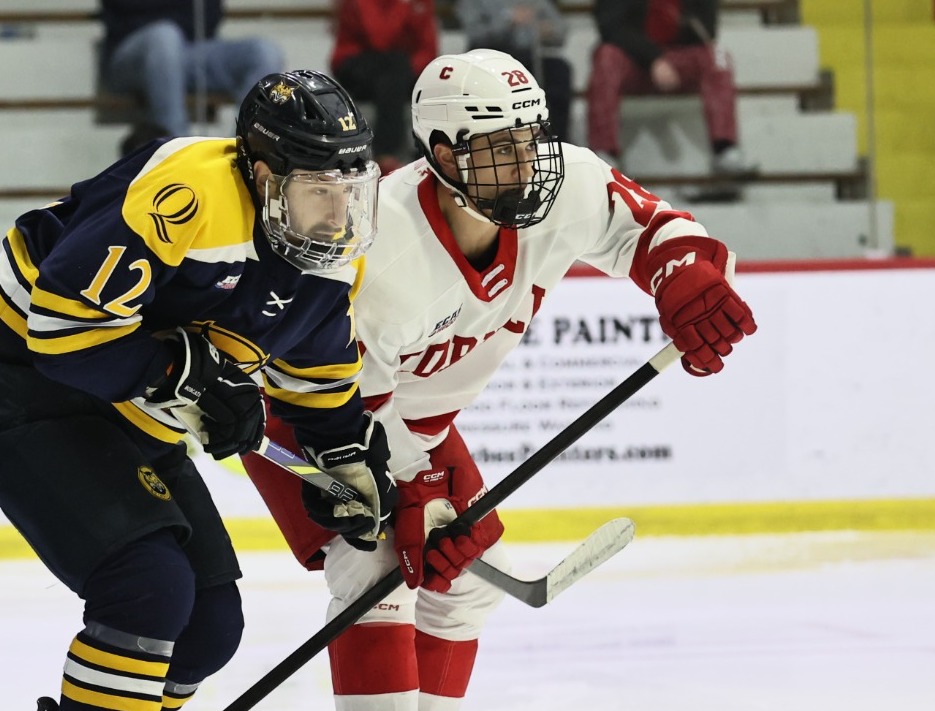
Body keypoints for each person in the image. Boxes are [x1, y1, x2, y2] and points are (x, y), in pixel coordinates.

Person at [244, 49, 757, 711]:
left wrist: (684, 276)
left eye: (529, 139)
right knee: (373, 565)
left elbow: (652, 229)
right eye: (499, 148)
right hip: (308, 409)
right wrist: (423, 490)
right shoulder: (382, 246)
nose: (525, 164)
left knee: (467, 582)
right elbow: (349, 403)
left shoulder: (562, 185)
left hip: (409, 422)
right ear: (444, 154)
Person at [0, 70, 396, 711]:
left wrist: (346, 459)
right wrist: (193, 374)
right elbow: (61, 327)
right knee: (147, 589)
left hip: (130, 411)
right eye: (320, 190)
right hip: (19, 383)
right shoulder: (189, 191)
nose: (339, 213)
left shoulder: (331, 259)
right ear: (265, 176)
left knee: (209, 629)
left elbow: (316, 378)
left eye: (351, 190)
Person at [587, 0, 758, 177]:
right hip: (634, 58)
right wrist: (653, 58)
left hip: (678, 59)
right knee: (606, 56)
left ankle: (725, 149)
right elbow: (610, 27)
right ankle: (604, 153)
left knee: (719, 56)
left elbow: (707, 30)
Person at [100, 0, 284, 138]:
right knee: (165, 37)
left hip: (190, 50)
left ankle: (237, 158)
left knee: (263, 52)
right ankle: (180, 156)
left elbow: (211, 17)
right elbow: (124, 11)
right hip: (131, 52)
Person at [331, 0, 438, 173]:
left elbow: (429, 48)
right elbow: (379, 38)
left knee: (394, 71)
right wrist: (404, 5)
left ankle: (386, 156)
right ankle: (388, 154)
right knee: (393, 67)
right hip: (356, 65)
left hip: (399, 71)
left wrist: (408, 70)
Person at [454, 0, 573, 142]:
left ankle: (558, 141)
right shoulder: (473, 3)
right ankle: (496, 141)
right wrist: (508, 20)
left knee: (560, 70)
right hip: (490, 59)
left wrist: (549, 29)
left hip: (528, 57)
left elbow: (561, 29)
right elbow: (476, 35)